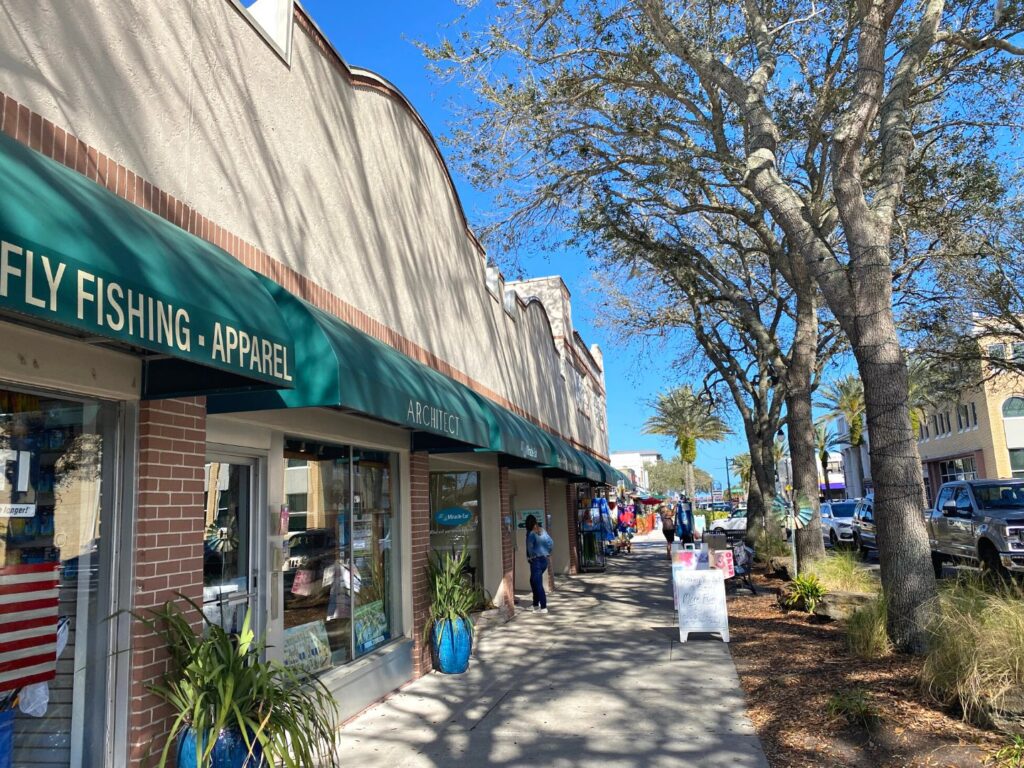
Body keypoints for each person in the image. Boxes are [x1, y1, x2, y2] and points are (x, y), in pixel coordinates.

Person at [525, 514, 553, 613]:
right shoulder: (542, 530)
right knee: (533, 581)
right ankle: (535, 605)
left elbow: (529, 548)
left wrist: (531, 557)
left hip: (536, 560)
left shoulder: (531, 533)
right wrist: (548, 552)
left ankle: (543, 607)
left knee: (537, 584)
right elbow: (551, 542)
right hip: (544, 560)